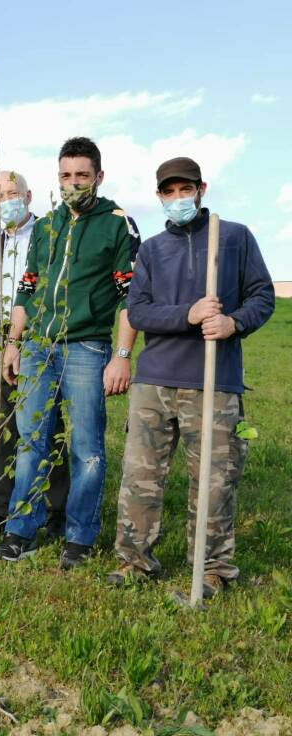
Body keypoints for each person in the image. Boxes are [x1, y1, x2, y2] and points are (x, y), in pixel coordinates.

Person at [109, 156, 275, 596]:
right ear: (159, 196)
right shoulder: (150, 250)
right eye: (169, 191)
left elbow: (263, 296)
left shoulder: (235, 238)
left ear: (202, 189)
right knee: (140, 478)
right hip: (155, 380)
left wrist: (233, 323)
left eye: (186, 189)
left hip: (214, 383)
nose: (178, 197)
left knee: (215, 480)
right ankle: (134, 562)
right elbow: (137, 310)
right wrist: (189, 314)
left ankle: (212, 570)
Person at [0, 137, 141, 568]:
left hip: (87, 347)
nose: (72, 183)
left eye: (81, 175)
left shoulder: (117, 223)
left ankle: (79, 536)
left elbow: (129, 296)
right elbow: (27, 287)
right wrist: (13, 343)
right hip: (39, 346)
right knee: (30, 442)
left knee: (86, 447)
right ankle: (21, 528)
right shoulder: (47, 226)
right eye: (65, 175)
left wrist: (121, 355)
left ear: (98, 176)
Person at [0, 171, 70, 534]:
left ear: (28, 197)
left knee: (47, 424)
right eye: (0, 197)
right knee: (6, 428)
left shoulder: (51, 236)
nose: (8, 200)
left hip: (42, 342)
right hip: (3, 348)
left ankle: (57, 509)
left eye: (14, 193)